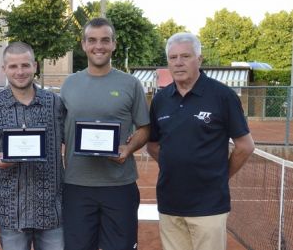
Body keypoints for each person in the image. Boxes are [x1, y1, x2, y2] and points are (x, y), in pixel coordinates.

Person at [147, 32, 255, 250]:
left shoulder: (222, 96)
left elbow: (245, 146)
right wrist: (175, 165)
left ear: (200, 59)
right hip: (170, 203)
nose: (178, 63)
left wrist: (219, 175)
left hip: (209, 205)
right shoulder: (160, 99)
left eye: (185, 56)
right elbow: (153, 145)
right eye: (173, 57)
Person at [60, 17, 150, 250]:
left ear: (114, 44)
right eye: (92, 40)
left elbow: (145, 128)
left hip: (119, 186)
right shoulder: (69, 84)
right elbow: (60, 130)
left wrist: (128, 148)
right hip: (77, 185)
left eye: (104, 40)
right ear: (83, 44)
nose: (98, 46)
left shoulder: (131, 84)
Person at [0, 41, 65, 250]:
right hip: (11, 210)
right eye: (13, 66)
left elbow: (71, 139)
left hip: (51, 209)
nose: (20, 71)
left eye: (25, 65)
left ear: (35, 66)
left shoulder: (55, 103)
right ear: (4, 69)